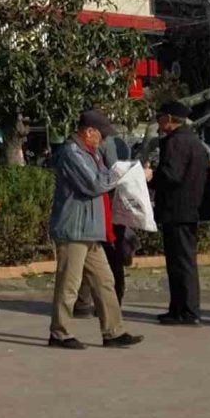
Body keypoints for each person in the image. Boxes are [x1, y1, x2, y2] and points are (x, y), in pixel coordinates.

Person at [48, 110, 145, 350]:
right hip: (74, 229)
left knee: (105, 280)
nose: (103, 140)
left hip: (90, 228)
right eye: (100, 135)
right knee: (69, 284)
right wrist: (123, 176)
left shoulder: (91, 153)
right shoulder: (72, 153)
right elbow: (94, 184)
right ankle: (59, 333)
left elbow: (102, 175)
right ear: (88, 131)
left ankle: (113, 331)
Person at [149, 101, 210, 326]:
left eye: (160, 117)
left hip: (177, 210)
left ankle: (187, 310)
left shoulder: (176, 143)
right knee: (181, 261)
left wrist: (151, 177)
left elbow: (171, 175)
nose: (158, 122)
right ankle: (178, 308)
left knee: (181, 262)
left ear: (170, 119)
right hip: (188, 209)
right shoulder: (194, 141)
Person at [73, 134, 131, 316]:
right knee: (105, 256)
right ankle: (105, 303)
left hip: (105, 205)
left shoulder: (102, 144)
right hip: (107, 205)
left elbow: (112, 173)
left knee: (104, 256)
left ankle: (91, 303)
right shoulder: (95, 146)